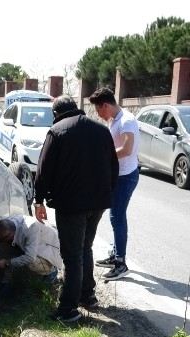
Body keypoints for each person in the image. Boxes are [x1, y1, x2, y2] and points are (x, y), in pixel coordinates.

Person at [33, 95, 117, 323]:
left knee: (72, 254)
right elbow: (114, 167)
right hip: (98, 202)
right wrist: (106, 193)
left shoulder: (57, 131)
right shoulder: (101, 130)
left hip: (71, 204)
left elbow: (43, 171)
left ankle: (68, 309)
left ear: (56, 114)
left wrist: (38, 200)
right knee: (85, 247)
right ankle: (87, 294)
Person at [89, 87, 140, 281]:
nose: (98, 114)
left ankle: (121, 262)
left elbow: (127, 149)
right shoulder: (115, 120)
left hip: (126, 176)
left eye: (98, 110)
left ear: (105, 105)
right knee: (114, 216)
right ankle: (115, 254)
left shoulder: (127, 120)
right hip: (119, 175)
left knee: (117, 216)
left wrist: (103, 157)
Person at [0, 216, 61, 286]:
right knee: (4, 246)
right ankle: (6, 279)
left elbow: (29, 257)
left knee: (31, 262)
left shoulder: (31, 228)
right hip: (30, 245)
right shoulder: (5, 224)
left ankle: (51, 272)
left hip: (51, 249)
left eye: (5, 238)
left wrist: (7, 262)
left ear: (11, 235)